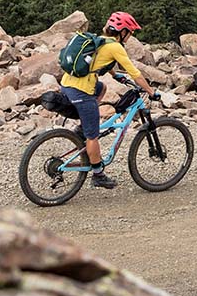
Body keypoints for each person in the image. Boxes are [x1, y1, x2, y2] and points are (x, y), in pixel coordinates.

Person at [60, 11, 154, 189]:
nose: (130, 36)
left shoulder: (102, 39)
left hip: (66, 84)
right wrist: (150, 91)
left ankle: (83, 129)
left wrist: (115, 75)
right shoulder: (116, 47)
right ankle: (98, 174)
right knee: (93, 135)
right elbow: (135, 73)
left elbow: (100, 60)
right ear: (123, 31)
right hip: (81, 91)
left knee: (101, 87)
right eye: (130, 32)